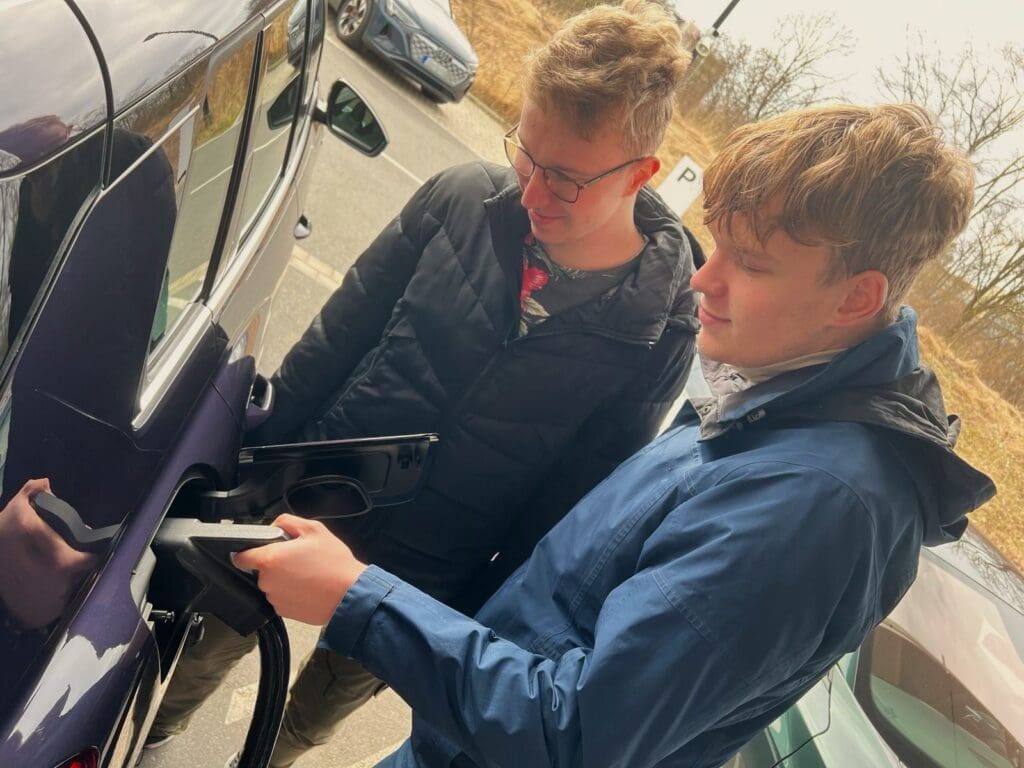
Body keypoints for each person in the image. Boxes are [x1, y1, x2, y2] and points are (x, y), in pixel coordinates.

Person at [235, 102, 997, 768]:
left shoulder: (817, 505)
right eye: (717, 246)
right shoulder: (775, 400)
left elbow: (579, 737)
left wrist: (357, 596)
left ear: (856, 297)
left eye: (752, 265)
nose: (705, 279)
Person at [149, 2, 701, 764]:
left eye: (566, 181)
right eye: (526, 156)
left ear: (642, 172)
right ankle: (153, 736)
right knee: (196, 659)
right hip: (308, 498)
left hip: (428, 580)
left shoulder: (662, 326)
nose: (532, 194)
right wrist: (251, 473)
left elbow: (570, 507)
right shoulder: (458, 199)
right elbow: (333, 343)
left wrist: (476, 614)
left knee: (300, 723)